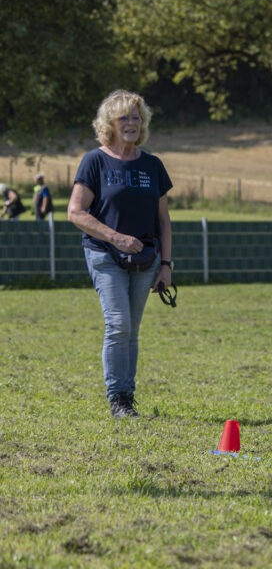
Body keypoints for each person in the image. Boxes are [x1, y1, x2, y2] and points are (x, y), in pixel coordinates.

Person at [67, 89, 174, 418]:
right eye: (124, 116)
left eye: (136, 116)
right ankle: (118, 399)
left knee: (131, 329)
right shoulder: (94, 161)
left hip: (146, 259)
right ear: (109, 123)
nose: (131, 122)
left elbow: (163, 220)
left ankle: (127, 396)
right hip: (104, 254)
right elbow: (76, 212)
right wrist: (115, 238)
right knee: (118, 324)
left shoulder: (152, 165)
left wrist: (166, 265)